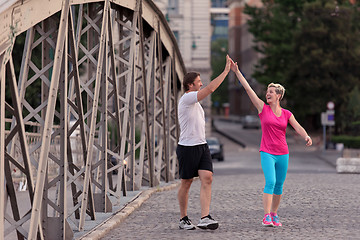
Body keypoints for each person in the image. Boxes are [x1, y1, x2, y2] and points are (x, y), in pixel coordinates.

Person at [229, 59, 312, 227]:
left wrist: (306, 136)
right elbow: (248, 89)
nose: (268, 93)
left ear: (279, 96)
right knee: (271, 182)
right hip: (267, 152)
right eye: (267, 91)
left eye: (272, 92)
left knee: (279, 186)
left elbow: (297, 126)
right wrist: (237, 72)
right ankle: (266, 216)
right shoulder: (262, 108)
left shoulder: (287, 113)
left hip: (283, 153)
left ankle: (274, 214)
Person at [176, 55, 232, 230]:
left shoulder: (195, 103)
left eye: (201, 81)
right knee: (187, 182)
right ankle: (183, 219)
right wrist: (225, 71)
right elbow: (211, 89)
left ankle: (204, 217)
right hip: (187, 147)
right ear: (190, 85)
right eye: (198, 81)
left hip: (202, 145)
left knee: (207, 178)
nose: (201, 83)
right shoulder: (186, 99)